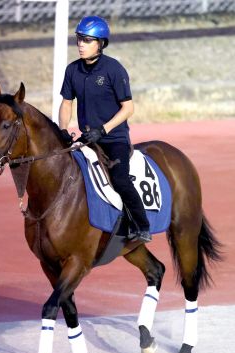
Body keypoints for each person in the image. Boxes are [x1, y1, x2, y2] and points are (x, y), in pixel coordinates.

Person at [59, 15, 151, 243]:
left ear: (101, 44)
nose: (81, 44)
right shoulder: (72, 71)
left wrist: (103, 130)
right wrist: (62, 130)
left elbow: (128, 108)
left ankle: (142, 225)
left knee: (119, 180)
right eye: (79, 39)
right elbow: (66, 103)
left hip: (114, 139)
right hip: (87, 139)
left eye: (87, 40)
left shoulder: (114, 69)